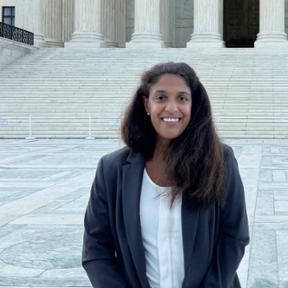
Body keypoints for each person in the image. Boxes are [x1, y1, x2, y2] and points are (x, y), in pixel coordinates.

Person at [82, 62, 250, 288]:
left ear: (193, 104)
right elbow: (96, 248)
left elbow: (234, 236)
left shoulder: (220, 161)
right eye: (161, 98)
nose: (172, 108)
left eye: (182, 98)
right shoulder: (112, 169)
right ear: (146, 104)